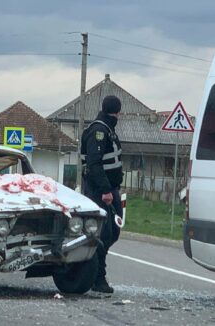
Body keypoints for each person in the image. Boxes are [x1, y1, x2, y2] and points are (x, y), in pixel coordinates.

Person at [81, 95, 124, 294]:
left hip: (110, 189)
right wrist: (106, 190)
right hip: (99, 190)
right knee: (102, 234)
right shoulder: (98, 131)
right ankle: (97, 278)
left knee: (112, 232)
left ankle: (95, 275)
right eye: (118, 112)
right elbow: (94, 164)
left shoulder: (108, 129)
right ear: (115, 111)